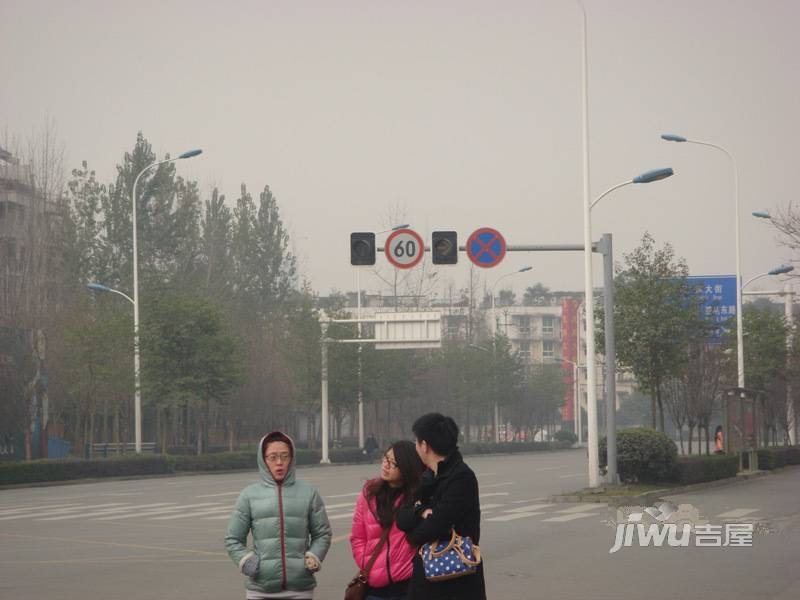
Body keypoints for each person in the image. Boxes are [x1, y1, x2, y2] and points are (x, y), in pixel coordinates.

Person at [225, 431, 332, 600]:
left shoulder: (309, 493)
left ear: (292, 458)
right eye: (273, 457)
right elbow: (233, 539)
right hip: (260, 589)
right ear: (263, 460)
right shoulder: (249, 495)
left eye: (284, 456)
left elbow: (322, 533)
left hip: (300, 588)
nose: (279, 463)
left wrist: (314, 555)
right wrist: (246, 560)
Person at [396, 413, 486, 600]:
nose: (415, 446)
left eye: (416, 441)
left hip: (458, 579)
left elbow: (433, 527)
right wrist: (421, 512)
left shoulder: (461, 478)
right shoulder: (428, 477)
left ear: (424, 445)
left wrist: (414, 533)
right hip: (428, 576)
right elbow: (401, 517)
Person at [350, 440, 426, 600]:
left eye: (394, 463)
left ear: (407, 468)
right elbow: (358, 537)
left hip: (406, 587)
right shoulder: (368, 493)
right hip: (373, 587)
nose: (386, 465)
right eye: (386, 459)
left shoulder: (417, 497)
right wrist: (365, 561)